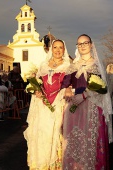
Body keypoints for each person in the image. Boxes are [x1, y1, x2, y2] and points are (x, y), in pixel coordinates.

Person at [61, 34, 113, 170]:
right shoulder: (73, 65)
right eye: (80, 44)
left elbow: (103, 87)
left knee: (90, 139)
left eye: (85, 43)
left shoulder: (97, 64)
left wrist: (84, 95)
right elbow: (65, 82)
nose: (83, 46)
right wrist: (66, 89)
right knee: (76, 140)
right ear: (77, 46)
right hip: (74, 108)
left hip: (92, 107)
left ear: (91, 44)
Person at [23, 39, 70, 169]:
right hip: (42, 106)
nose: (58, 50)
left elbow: (69, 86)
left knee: (56, 134)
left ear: (64, 50)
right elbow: (38, 84)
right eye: (55, 47)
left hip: (59, 105)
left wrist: (64, 92)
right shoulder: (43, 66)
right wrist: (36, 91)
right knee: (42, 134)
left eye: (61, 47)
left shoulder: (68, 66)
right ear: (51, 49)